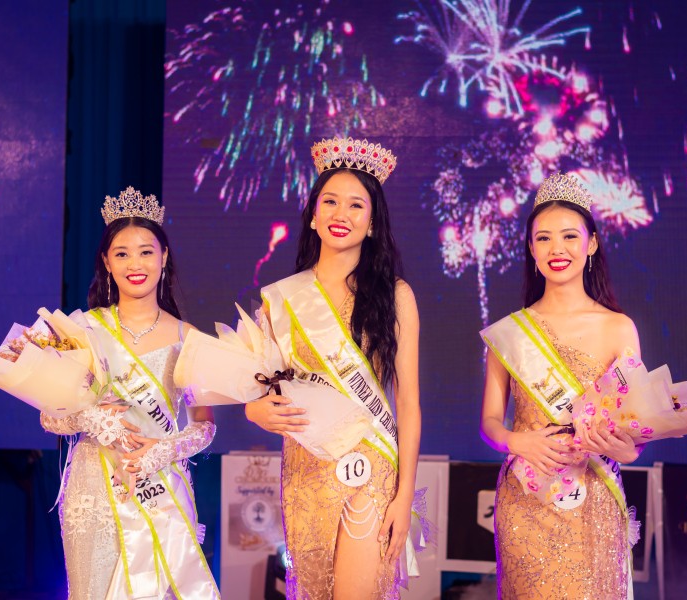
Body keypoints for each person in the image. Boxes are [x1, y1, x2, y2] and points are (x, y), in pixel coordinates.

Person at [244, 137, 422, 599]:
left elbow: (408, 403)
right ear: (313, 214)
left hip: (372, 463)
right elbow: (259, 388)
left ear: (372, 223)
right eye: (330, 202)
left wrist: (404, 498)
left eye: (356, 205)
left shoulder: (395, 295)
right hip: (305, 469)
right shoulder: (279, 300)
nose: (341, 214)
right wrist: (254, 411)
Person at [39, 187, 220, 599]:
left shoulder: (187, 338)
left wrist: (163, 450)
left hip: (158, 486)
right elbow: (50, 416)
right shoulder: (82, 330)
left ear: (164, 257)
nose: (134, 264)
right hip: (94, 490)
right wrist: (91, 418)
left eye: (145, 252)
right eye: (121, 253)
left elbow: (205, 427)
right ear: (106, 261)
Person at [479, 172, 641, 599]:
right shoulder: (509, 334)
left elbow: (633, 437)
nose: (557, 249)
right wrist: (519, 441)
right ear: (531, 250)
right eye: (544, 238)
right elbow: (490, 424)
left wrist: (620, 446)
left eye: (570, 236)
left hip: (594, 498)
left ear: (591, 244)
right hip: (527, 500)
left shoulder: (618, 328)